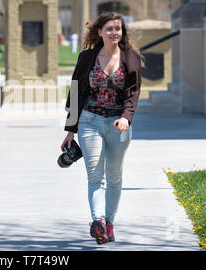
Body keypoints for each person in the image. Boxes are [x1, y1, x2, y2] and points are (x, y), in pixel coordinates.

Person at [61, 12, 144, 245]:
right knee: (95, 176)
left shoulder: (131, 57)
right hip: (90, 121)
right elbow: (76, 91)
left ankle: (109, 223)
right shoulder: (87, 57)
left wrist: (127, 117)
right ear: (99, 32)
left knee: (115, 177)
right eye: (109, 29)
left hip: (119, 124)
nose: (114, 33)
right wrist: (71, 130)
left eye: (117, 28)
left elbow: (133, 92)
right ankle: (97, 222)